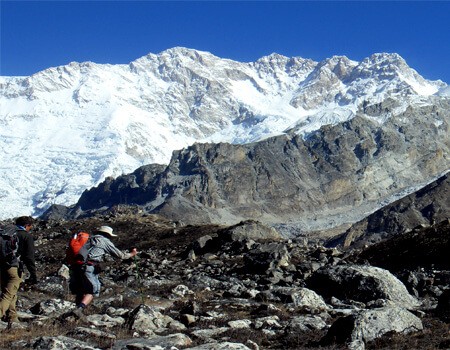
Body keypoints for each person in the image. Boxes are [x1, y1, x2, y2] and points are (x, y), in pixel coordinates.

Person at [69, 225, 137, 319]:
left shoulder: (89, 238)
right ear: (108, 235)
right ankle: (79, 309)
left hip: (76, 266)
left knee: (81, 290)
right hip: (89, 267)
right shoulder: (104, 241)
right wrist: (132, 254)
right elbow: (120, 255)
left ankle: (74, 314)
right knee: (92, 291)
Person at [0, 216, 37, 324]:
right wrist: (33, 274)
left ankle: (12, 318)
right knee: (8, 295)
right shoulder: (26, 236)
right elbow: (29, 257)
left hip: (2, 266)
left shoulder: (5, 232)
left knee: (10, 293)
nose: (30, 228)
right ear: (27, 225)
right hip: (14, 268)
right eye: (30, 226)